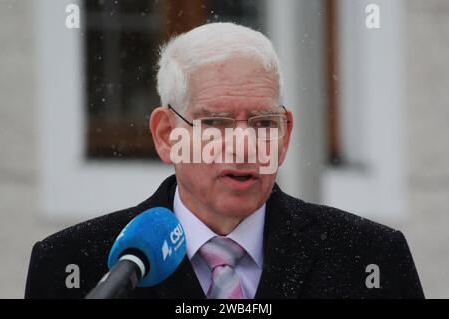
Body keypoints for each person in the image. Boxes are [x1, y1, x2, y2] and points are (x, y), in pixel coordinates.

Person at [25, 22, 424, 299]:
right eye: (215, 123)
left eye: (264, 123)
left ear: (284, 136)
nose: (244, 145)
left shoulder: (369, 258)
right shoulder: (76, 265)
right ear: (167, 135)